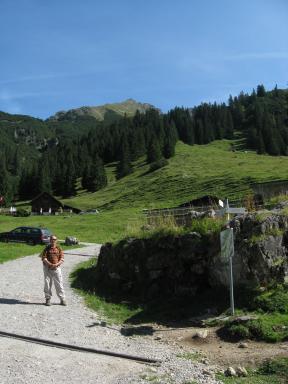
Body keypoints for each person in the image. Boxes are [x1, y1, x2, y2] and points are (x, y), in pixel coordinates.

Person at [40, 235, 67, 306]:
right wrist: (50, 265)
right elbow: (44, 258)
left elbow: (62, 259)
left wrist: (56, 264)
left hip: (57, 268)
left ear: (56, 240)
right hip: (47, 268)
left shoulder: (59, 248)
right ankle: (48, 299)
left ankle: (62, 299)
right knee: (47, 284)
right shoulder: (46, 248)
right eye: (52, 239)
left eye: (54, 239)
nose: (53, 240)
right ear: (50, 240)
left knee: (59, 284)